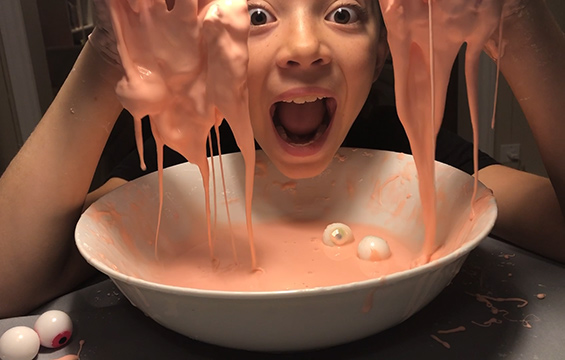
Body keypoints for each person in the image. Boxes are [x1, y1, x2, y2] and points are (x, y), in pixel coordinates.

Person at [0, 0, 563, 319]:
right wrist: (110, 52)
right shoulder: (178, 173)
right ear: (211, 44)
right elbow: (10, 281)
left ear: (383, 47)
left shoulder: (417, 158)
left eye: (342, 13)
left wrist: (517, 20)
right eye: (259, 14)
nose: (302, 47)